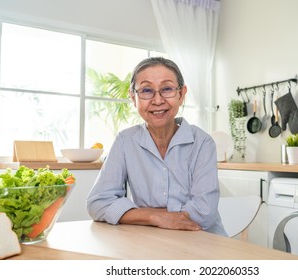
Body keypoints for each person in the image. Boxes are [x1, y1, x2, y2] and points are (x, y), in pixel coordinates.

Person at [87, 57, 227, 236]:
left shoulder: (202, 142)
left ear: (181, 94)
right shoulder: (125, 141)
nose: (158, 100)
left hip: (204, 241)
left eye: (167, 89)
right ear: (133, 97)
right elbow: (97, 203)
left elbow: (204, 213)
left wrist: (136, 214)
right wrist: (154, 217)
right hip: (152, 241)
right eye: (146, 90)